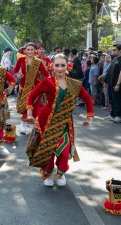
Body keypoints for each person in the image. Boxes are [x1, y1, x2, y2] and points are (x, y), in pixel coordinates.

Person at [25, 54, 94, 187]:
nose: (60, 68)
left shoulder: (73, 84)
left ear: (68, 66)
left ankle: (61, 173)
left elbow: (87, 99)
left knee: (63, 151)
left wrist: (89, 118)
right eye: (57, 65)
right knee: (48, 150)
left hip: (64, 122)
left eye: (63, 65)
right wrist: (29, 113)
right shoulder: (47, 82)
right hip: (47, 122)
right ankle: (48, 174)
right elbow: (31, 96)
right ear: (52, 67)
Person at [13, 42, 50, 134]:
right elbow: (15, 70)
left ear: (35, 51)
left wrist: (47, 83)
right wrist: (18, 75)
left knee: (36, 106)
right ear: (25, 50)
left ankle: (33, 126)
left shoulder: (38, 62)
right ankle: (23, 125)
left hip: (35, 87)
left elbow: (46, 74)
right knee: (25, 106)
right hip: (23, 86)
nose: (30, 51)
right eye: (28, 49)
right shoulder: (21, 60)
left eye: (31, 50)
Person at [105, 44, 121, 124]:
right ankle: (112, 115)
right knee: (111, 100)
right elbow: (110, 70)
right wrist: (105, 79)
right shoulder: (114, 59)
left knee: (117, 100)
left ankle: (118, 116)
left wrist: (118, 84)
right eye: (113, 49)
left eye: (115, 50)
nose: (113, 51)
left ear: (120, 50)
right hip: (110, 83)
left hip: (116, 84)